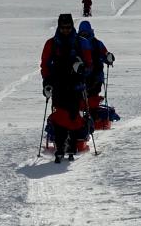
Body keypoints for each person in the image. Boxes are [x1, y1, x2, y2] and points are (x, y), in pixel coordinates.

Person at [40, 13, 89, 162]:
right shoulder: (51, 44)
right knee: (59, 116)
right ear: (59, 27)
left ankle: (72, 146)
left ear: (72, 27)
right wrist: (47, 83)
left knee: (74, 115)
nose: (65, 30)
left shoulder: (81, 43)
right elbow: (45, 65)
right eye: (63, 28)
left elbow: (89, 64)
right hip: (58, 85)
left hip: (75, 85)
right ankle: (60, 147)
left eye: (68, 27)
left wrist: (81, 69)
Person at [77, 20, 119, 125]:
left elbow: (105, 54)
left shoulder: (97, 44)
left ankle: (93, 117)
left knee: (92, 97)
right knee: (79, 98)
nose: (84, 35)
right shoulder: (77, 43)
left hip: (95, 77)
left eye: (86, 33)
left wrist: (109, 57)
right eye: (82, 33)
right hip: (80, 76)